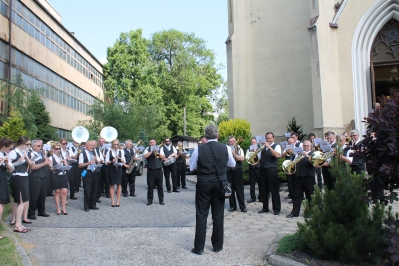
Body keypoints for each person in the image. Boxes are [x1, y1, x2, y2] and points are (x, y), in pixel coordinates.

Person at [189, 124, 235, 255]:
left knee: (202, 214)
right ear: (218, 135)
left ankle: (199, 247)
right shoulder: (225, 147)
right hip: (220, 183)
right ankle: (217, 245)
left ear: (206, 136)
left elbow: (192, 167)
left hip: (204, 183)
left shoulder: (199, 148)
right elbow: (232, 164)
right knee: (218, 214)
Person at [287, 140, 320, 218]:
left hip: (309, 177)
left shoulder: (313, 154)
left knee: (309, 195)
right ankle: (294, 212)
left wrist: (307, 155)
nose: (305, 147)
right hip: (299, 177)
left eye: (307, 146)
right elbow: (294, 163)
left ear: (311, 147)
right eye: (304, 146)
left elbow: (315, 164)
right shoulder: (299, 154)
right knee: (297, 196)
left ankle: (310, 212)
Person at [8, 136, 34, 233]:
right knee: (22, 201)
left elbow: (31, 164)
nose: (28, 146)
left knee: (20, 200)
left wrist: (27, 159)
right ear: (21, 144)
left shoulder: (24, 152)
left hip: (24, 176)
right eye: (27, 144)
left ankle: (16, 221)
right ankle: (17, 224)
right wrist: (17, 162)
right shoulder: (13, 152)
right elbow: (9, 165)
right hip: (18, 177)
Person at [258, 132, 282, 215]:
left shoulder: (277, 146)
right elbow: (260, 159)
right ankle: (265, 207)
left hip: (272, 169)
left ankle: (276, 208)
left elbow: (277, 155)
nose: (268, 140)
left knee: (274, 189)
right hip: (263, 169)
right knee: (264, 189)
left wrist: (269, 147)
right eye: (267, 138)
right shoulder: (263, 147)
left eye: (270, 138)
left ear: (273, 138)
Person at [27, 140, 51, 220]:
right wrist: (43, 164)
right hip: (35, 177)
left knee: (43, 195)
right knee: (34, 196)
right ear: (33, 146)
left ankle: (41, 211)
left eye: (41, 146)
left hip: (43, 176)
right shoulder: (30, 153)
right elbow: (32, 167)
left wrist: (47, 162)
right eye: (38, 146)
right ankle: (31, 213)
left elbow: (46, 164)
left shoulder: (41, 153)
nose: (40, 147)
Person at [79, 140, 100, 212]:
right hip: (86, 172)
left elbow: (98, 162)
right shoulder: (82, 153)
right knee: (87, 190)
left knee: (94, 189)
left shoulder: (94, 152)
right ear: (86, 146)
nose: (92, 147)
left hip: (94, 172)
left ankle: (92, 204)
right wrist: (88, 163)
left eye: (92, 145)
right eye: (90, 145)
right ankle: (86, 206)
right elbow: (80, 165)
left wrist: (97, 160)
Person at [227, 136, 246, 212]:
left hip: (237, 170)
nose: (232, 143)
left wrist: (234, 154)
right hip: (228, 170)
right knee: (230, 189)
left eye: (233, 141)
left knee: (239, 190)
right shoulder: (227, 149)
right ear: (228, 142)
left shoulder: (239, 148)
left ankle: (242, 207)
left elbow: (242, 159)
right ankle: (233, 206)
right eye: (230, 141)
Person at [49, 142, 70, 215]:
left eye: (59, 148)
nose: (58, 150)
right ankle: (58, 208)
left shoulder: (62, 156)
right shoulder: (51, 157)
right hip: (56, 175)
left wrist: (64, 162)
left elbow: (67, 167)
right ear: (53, 149)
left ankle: (63, 208)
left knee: (64, 192)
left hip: (63, 175)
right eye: (56, 149)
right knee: (57, 192)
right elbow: (51, 168)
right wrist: (56, 167)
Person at [0, 138, 15, 239]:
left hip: (3, 179)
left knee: (2, 204)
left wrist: (6, 162)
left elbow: (11, 169)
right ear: (4, 147)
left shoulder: (4, 155)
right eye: (9, 148)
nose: (10, 150)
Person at [143, 138, 165, 205]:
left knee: (160, 186)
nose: (152, 143)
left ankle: (161, 200)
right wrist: (152, 151)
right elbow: (145, 156)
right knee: (150, 186)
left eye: (153, 142)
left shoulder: (160, 148)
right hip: (150, 170)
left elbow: (163, 157)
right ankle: (150, 200)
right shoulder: (147, 149)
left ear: (155, 143)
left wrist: (157, 153)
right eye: (151, 142)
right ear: (149, 143)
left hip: (158, 169)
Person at [106, 139, 125, 207]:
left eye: (117, 144)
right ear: (112, 145)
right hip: (111, 169)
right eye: (114, 144)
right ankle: (112, 201)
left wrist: (119, 157)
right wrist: (112, 161)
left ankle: (118, 201)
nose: (116, 146)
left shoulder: (121, 151)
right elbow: (106, 162)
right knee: (112, 185)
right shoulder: (109, 151)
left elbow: (123, 161)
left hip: (119, 169)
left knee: (119, 185)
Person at [246, 137, 262, 203]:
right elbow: (247, 158)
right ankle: (253, 198)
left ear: (257, 143)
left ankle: (261, 197)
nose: (253, 143)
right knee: (252, 184)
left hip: (258, 168)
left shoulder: (260, 149)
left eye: (254, 142)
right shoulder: (248, 150)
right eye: (252, 142)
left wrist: (256, 152)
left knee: (260, 183)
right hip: (251, 168)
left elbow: (260, 158)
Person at [280, 137, 296, 203]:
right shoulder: (286, 148)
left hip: (295, 168)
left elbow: (300, 156)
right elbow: (281, 156)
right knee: (290, 183)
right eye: (289, 143)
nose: (290, 144)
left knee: (296, 183)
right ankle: (292, 197)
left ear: (294, 142)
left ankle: (296, 197)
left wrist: (293, 152)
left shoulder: (297, 148)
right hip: (288, 167)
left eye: (291, 142)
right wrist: (286, 151)